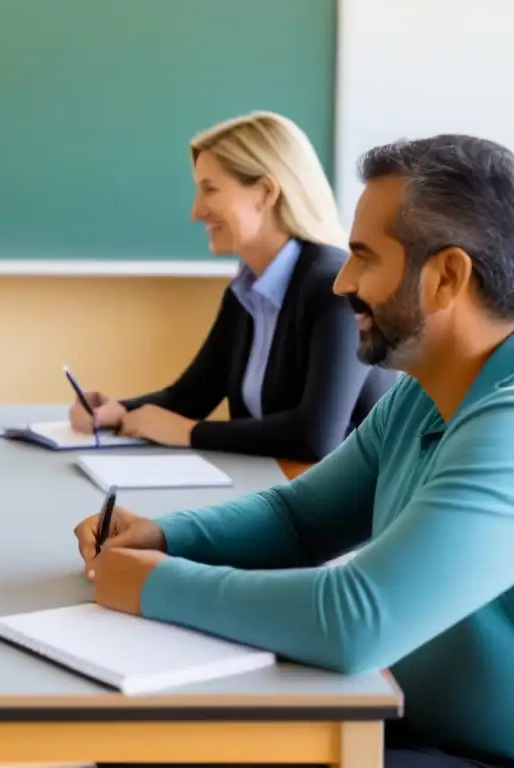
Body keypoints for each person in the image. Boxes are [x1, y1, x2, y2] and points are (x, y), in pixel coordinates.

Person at [75, 134, 514, 767]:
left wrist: (153, 585)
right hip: (393, 718)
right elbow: (299, 518)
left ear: (447, 276)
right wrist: (165, 539)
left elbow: (355, 618)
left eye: (364, 257)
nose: (342, 282)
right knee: (144, 746)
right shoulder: (424, 393)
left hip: (466, 753)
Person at [68, 111, 397, 463]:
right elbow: (190, 396)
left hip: (352, 503)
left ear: (267, 192)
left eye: (210, 189)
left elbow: (315, 437)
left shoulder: (334, 291)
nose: (196, 211)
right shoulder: (247, 290)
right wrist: (117, 411)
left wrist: (188, 432)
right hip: (276, 486)